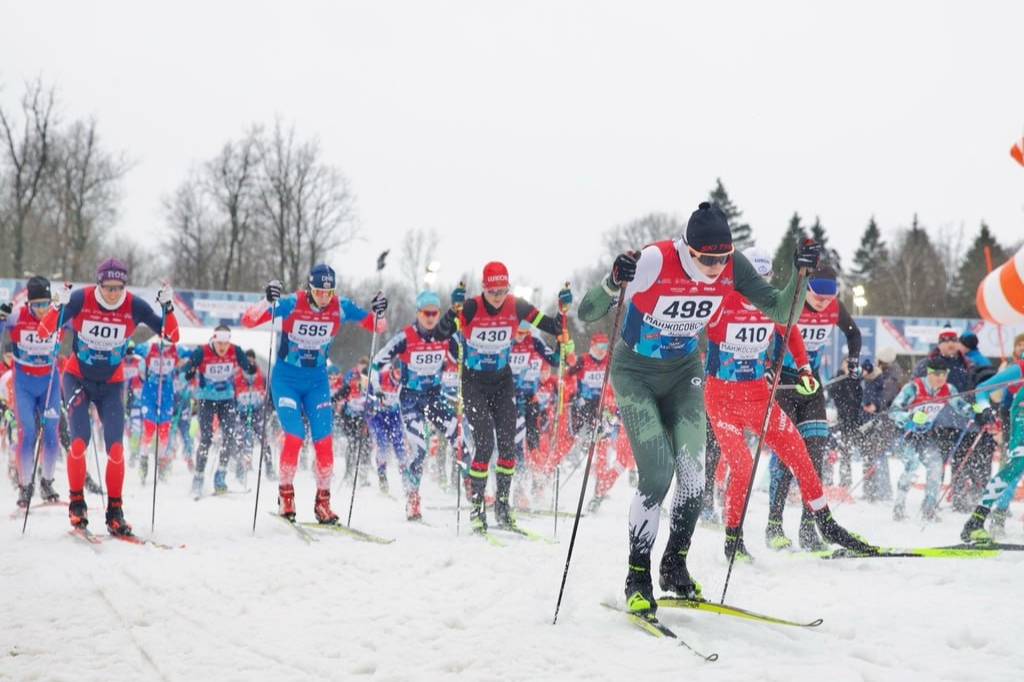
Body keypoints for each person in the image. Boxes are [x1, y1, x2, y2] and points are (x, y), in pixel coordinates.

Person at [577, 201, 830, 615]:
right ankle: (637, 576)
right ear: (687, 249)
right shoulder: (656, 260)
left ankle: (674, 566)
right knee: (658, 472)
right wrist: (610, 283)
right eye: (707, 258)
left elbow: (781, 310)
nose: (716, 267)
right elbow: (588, 312)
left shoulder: (733, 266)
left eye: (722, 257)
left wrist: (801, 275)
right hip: (636, 372)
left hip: (683, 374)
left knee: (695, 477)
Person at [704, 247, 868, 560]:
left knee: (802, 455)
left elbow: (790, 333)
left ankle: (824, 522)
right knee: (741, 467)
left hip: (757, 397)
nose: (758, 283)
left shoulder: (771, 303)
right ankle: (733, 539)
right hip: (722, 398)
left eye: (763, 277)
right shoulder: (720, 299)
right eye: (752, 276)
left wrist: (805, 367)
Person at [38, 258, 179, 535]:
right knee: (79, 442)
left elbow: (170, 335)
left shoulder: (134, 305)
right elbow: (44, 330)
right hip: (77, 377)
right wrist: (57, 305)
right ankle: (77, 503)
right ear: (98, 283)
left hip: (112, 384)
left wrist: (168, 308)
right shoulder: (81, 299)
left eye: (118, 287)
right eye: (107, 286)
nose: (112, 292)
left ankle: (115, 510)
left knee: (116, 449)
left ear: (124, 285)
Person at [242, 264, 387, 523]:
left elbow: (378, 326)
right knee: (295, 436)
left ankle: (323, 502)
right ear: (310, 288)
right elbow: (248, 320)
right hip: (286, 379)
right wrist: (267, 299)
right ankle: (286, 495)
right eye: (319, 291)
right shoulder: (292, 304)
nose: (323, 297)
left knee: (324, 443)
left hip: (317, 383)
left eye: (328, 292)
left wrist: (379, 311)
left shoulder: (340, 307)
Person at [435, 261, 570, 533]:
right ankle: (477, 508)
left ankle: (503, 507)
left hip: (502, 381)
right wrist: (453, 310)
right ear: (484, 288)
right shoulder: (471, 307)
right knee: (484, 444)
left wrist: (562, 310)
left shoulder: (516, 306)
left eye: (502, 290)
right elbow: (441, 333)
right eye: (492, 291)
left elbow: (552, 326)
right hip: (473, 382)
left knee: (508, 446)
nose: (497, 297)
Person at [766, 262, 863, 551]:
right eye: (817, 294)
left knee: (815, 453)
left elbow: (853, 334)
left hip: (811, 383)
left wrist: (854, 360)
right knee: (786, 455)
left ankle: (809, 528)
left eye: (828, 295)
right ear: (804, 288)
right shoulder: (790, 303)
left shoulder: (835, 308)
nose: (822, 301)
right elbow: (762, 333)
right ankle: (774, 526)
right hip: (784, 381)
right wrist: (766, 367)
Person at [371, 290, 461, 521]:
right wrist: (375, 389)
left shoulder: (447, 336)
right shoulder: (405, 337)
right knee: (419, 449)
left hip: (434, 397)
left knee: (459, 438)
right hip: (410, 400)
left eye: (434, 313)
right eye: (426, 313)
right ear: (418, 313)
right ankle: (413, 497)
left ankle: (473, 487)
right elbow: (377, 361)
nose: (430, 317)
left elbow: (463, 357)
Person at [888, 356, 974, 521]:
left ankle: (929, 508)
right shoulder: (914, 388)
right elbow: (893, 411)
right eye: (937, 374)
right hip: (906, 434)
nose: (941, 378)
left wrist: (972, 409)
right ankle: (899, 507)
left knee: (936, 467)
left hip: (925, 435)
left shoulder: (948, 389)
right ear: (929, 373)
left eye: (944, 374)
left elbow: (960, 405)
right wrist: (910, 416)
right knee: (911, 466)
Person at [1, 277, 63, 506]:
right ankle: (25, 486)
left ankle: (47, 482)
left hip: (49, 382)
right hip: (24, 384)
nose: (41, 309)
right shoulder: (17, 316)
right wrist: (1, 316)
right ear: (28, 303)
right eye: (35, 304)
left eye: (45, 303)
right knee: (27, 433)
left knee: (51, 436)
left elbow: (79, 324)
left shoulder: (58, 315)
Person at [960, 345, 1024, 541]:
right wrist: (986, 409)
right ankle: (975, 522)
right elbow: (982, 389)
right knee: (1017, 464)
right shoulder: (1021, 367)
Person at [183, 325, 254, 496]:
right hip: (206, 398)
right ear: (214, 340)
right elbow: (187, 370)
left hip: (227, 398)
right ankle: (199, 476)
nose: (223, 347)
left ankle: (220, 476)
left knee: (229, 435)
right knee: (206, 438)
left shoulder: (235, 350)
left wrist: (249, 370)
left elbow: (249, 368)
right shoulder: (202, 351)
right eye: (220, 343)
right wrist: (190, 372)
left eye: (226, 343)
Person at [137, 340, 180, 483]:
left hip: (167, 390)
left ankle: (162, 462)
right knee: (149, 427)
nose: (166, 346)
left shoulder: (177, 349)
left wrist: (189, 366)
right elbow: (132, 348)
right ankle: (144, 459)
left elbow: (193, 355)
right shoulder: (149, 347)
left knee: (164, 429)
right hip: (150, 389)